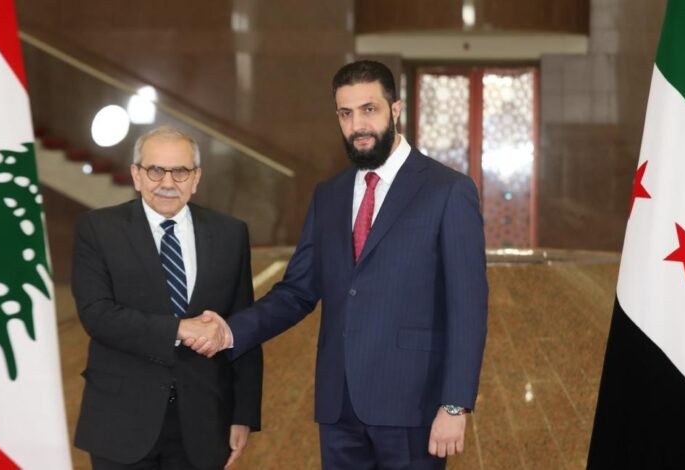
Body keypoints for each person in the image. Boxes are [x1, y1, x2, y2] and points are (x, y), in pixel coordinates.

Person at [189, 60, 488, 469]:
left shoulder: (448, 190)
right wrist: (228, 331)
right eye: (346, 114)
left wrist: (454, 405)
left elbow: (468, 308)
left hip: (412, 406)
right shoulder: (329, 194)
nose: (357, 125)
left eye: (369, 109)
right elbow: (297, 291)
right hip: (338, 406)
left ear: (395, 110)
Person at [71, 126, 263, 470]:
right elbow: (97, 315)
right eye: (156, 170)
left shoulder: (230, 233)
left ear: (196, 178)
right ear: (136, 175)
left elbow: (242, 327)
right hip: (121, 420)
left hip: (205, 421)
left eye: (180, 171)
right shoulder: (98, 229)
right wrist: (180, 329)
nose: (167, 182)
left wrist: (243, 414)